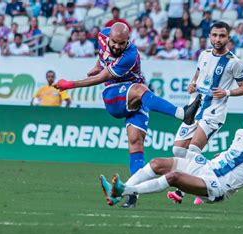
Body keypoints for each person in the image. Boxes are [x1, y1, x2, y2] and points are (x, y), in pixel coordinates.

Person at [53, 23, 202, 208]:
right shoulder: (102, 36)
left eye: (121, 44)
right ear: (109, 38)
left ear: (128, 41)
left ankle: (131, 194)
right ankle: (183, 114)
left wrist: (71, 84)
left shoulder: (130, 54)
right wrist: (96, 65)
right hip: (114, 96)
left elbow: (101, 77)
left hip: (136, 99)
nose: (116, 46)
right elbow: (102, 61)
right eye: (114, 42)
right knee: (141, 89)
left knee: (136, 142)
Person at [99, 105, 243, 216]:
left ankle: (125, 191)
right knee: (157, 163)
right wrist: (222, 156)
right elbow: (233, 152)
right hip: (207, 167)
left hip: (217, 186)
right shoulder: (241, 133)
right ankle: (117, 196)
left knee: (174, 177)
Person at [167, 21, 243, 205]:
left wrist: (226, 92)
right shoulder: (203, 55)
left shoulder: (234, 63)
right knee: (178, 150)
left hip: (213, 113)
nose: (217, 39)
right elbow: (198, 74)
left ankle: (182, 191)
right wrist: (192, 84)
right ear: (209, 36)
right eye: (214, 35)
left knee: (193, 149)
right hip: (195, 109)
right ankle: (211, 173)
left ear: (229, 37)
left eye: (222, 36)